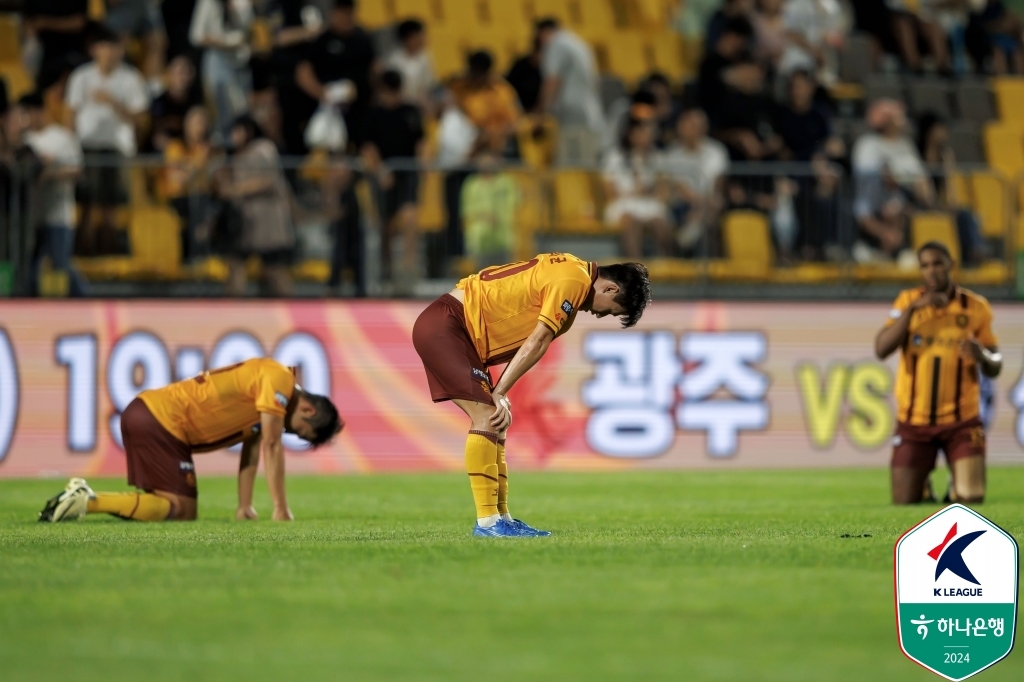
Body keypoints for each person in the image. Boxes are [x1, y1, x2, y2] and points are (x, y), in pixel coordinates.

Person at [412, 254, 651, 537]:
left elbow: (532, 342)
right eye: (609, 310)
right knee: (487, 417)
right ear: (611, 289)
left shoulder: (571, 276)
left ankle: (502, 517)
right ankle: (488, 523)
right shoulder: (574, 280)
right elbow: (537, 340)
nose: (599, 314)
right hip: (448, 325)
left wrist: (499, 393)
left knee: (496, 421)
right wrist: (499, 391)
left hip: (455, 327)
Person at [38, 358, 343, 522]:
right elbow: (271, 446)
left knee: (167, 508)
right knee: (182, 509)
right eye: (299, 429)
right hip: (161, 420)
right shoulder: (278, 381)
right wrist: (280, 508)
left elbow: (252, 450)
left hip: (152, 416)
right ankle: (87, 500)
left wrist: (244, 505)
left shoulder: (268, 399)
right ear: (307, 408)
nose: (290, 433)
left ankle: (86, 500)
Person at [874, 241, 1001, 505]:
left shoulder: (976, 307)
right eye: (925, 266)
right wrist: (912, 311)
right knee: (903, 502)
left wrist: (982, 355)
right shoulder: (907, 301)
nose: (932, 271)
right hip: (914, 422)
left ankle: (956, 486)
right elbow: (882, 348)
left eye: (937, 264)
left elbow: (996, 363)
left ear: (951, 265)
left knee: (970, 497)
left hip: (962, 422)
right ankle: (923, 485)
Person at [65, 25, 150, 255]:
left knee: (111, 210)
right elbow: (70, 116)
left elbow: (141, 120)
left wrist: (113, 103)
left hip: (117, 149)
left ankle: (108, 259)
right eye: (105, 47)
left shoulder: (131, 79)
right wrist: (71, 149)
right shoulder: (81, 77)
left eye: (115, 47)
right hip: (87, 147)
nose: (110, 52)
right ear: (94, 49)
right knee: (87, 207)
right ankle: (83, 258)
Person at [17, 92, 88, 297]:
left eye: (27, 114)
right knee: (31, 265)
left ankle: (85, 298)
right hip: (32, 214)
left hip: (59, 213)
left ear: (38, 112)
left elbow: (77, 170)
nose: (24, 119)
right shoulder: (25, 139)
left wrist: (48, 172)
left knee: (60, 262)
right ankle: (27, 309)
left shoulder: (62, 137)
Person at [217, 115, 296, 296]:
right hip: (245, 224)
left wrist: (236, 189)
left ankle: (293, 311)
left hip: (269, 225)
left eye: (237, 131)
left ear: (248, 131)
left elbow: (268, 180)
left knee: (274, 270)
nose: (234, 136)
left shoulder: (263, 149)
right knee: (235, 265)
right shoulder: (236, 155)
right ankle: (232, 313)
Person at [361, 69, 424, 290]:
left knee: (409, 218)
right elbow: (368, 147)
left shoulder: (410, 111)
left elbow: (420, 141)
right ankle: (386, 269)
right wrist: (380, 171)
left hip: (407, 173)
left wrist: (421, 166)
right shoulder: (374, 114)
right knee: (386, 226)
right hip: (384, 176)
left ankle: (407, 270)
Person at [295, 0, 376, 147]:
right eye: (342, 12)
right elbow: (303, 73)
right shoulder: (322, 41)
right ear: (334, 13)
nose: (345, 17)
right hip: (330, 107)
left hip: (359, 108)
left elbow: (374, 69)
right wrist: (324, 94)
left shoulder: (362, 39)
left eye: (348, 13)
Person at [658, 108, 729, 255]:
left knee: (713, 205)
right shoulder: (671, 155)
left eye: (696, 126)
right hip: (680, 203)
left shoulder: (716, 151)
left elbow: (718, 184)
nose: (691, 130)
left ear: (704, 128)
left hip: (707, 201)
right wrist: (692, 198)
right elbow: (672, 186)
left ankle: (689, 238)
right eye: (688, 125)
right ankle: (679, 249)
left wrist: (700, 201)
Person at [605, 114, 673, 258]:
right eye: (643, 131)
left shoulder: (658, 158)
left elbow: (663, 191)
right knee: (632, 221)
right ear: (632, 134)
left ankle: (669, 264)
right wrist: (636, 192)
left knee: (659, 222)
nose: (648, 135)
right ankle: (636, 268)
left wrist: (649, 192)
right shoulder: (615, 157)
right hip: (623, 203)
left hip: (648, 203)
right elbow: (610, 192)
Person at [189, 0, 254, 142]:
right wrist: (224, 42)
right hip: (217, 58)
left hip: (240, 61)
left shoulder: (243, 3)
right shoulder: (208, 3)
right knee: (220, 111)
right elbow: (196, 36)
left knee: (242, 110)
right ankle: (222, 146)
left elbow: (249, 32)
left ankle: (239, 147)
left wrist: (235, 12)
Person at [535, 18, 604, 137]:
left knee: (571, 152)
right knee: (586, 149)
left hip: (570, 108)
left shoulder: (556, 44)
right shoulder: (576, 42)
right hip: (588, 105)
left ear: (544, 32)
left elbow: (552, 81)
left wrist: (542, 112)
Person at [149, 55, 203, 151]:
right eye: (178, 73)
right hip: (163, 153)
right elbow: (157, 136)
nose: (181, 78)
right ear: (169, 73)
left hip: (190, 151)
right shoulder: (159, 101)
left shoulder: (196, 101)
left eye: (186, 73)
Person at [385, 19, 436, 112]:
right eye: (420, 36)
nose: (423, 39)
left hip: (421, 106)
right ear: (408, 38)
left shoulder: (424, 57)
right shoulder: (394, 62)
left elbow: (429, 84)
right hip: (400, 108)